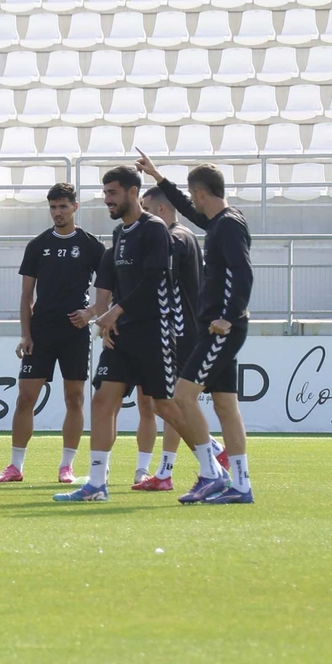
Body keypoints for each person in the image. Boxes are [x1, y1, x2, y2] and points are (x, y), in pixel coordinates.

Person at [54, 165, 224, 503]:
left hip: (154, 331)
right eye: (105, 193)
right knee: (102, 400)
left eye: (113, 193)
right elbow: (109, 285)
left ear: (133, 192)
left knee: (165, 406)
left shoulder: (154, 229)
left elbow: (154, 281)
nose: (107, 199)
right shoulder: (120, 234)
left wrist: (114, 312)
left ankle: (212, 469)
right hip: (122, 334)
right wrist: (103, 318)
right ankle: (96, 484)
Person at [137, 150, 256, 504]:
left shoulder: (228, 225)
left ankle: (212, 474)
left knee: (182, 397)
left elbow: (243, 272)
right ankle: (241, 485)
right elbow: (187, 210)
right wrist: (158, 177)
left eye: (193, 195)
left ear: (201, 192)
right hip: (220, 327)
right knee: (225, 407)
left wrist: (229, 317)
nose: (192, 201)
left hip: (222, 329)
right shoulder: (221, 221)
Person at [0, 183, 104, 486]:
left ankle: (67, 466)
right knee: (25, 397)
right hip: (41, 331)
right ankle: (15, 466)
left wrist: (91, 313)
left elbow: (110, 289)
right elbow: (27, 296)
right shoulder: (38, 245)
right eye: (53, 207)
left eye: (63, 206)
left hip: (75, 331)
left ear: (75, 207)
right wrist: (25, 334)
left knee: (75, 398)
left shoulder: (91, 245)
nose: (57, 212)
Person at [132, 183, 214, 491]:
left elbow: (159, 285)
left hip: (178, 333)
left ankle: (212, 451)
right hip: (186, 331)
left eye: (146, 210)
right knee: (167, 404)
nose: (143, 217)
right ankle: (165, 472)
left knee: (169, 404)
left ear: (161, 209)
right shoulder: (187, 236)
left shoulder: (173, 240)